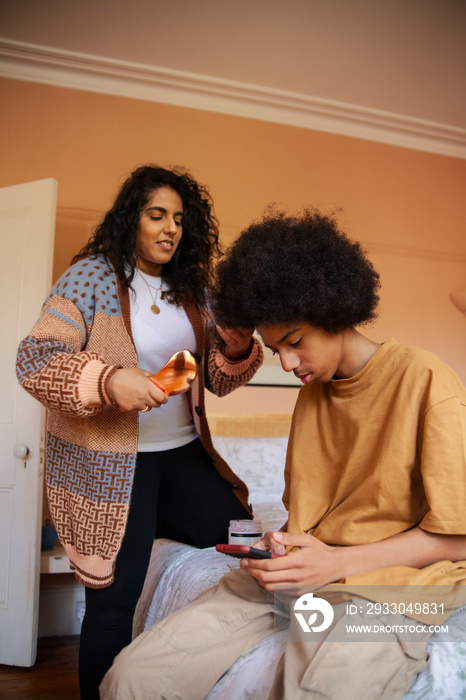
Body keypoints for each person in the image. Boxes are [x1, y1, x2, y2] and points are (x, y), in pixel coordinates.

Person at [100, 207, 466, 700]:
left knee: (320, 690)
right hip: (301, 577)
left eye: (295, 343)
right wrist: (285, 546)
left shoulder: (426, 381)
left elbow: (459, 539)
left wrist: (336, 563)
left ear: (334, 312)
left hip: (388, 586)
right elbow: (312, 517)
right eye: (277, 351)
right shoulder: (314, 393)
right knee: (131, 677)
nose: (289, 363)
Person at [16, 165, 263, 698]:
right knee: (112, 602)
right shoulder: (90, 278)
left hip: (184, 455)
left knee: (250, 545)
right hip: (114, 465)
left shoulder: (195, 288)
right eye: (157, 215)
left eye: (179, 218)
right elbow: (35, 361)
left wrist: (239, 346)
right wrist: (108, 380)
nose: (170, 228)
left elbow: (217, 380)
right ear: (132, 218)